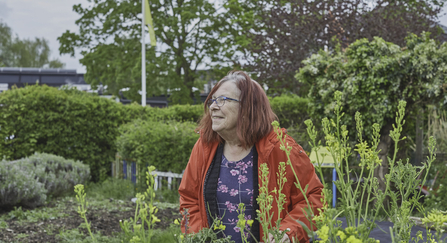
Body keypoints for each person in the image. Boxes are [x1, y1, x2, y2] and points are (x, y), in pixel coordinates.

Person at [178, 71, 323, 243]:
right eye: (212, 100)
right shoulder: (205, 146)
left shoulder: (282, 148)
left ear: (247, 107)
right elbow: (189, 199)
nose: (213, 106)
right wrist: (198, 236)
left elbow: (314, 198)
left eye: (222, 100)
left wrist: (288, 232)